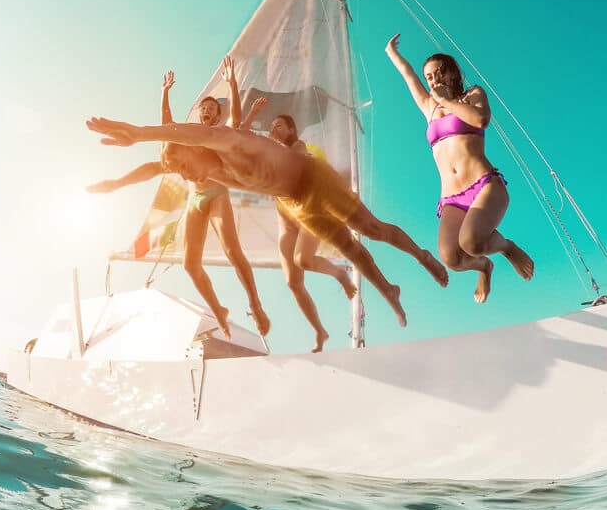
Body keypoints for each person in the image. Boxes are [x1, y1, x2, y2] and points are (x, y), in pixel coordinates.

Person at [86, 115, 449, 327]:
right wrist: (117, 184)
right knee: (349, 249)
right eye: (178, 170)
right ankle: (389, 290)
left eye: (183, 164)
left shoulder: (230, 142)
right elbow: (154, 167)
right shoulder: (204, 174)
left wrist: (140, 132)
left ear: (195, 150)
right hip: (293, 199)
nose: (183, 175)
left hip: (313, 178)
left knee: (372, 230)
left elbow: (199, 133)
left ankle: (421, 255)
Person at [86, 57, 270, 339]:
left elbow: (235, 122)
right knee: (190, 265)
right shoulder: (185, 142)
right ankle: (218, 310)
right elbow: (160, 148)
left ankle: (255, 304)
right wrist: (116, 183)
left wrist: (233, 84)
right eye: (204, 109)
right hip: (196, 201)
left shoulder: (218, 136)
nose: (208, 112)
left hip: (216, 194)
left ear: (217, 116)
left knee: (233, 251)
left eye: (212, 110)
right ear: (199, 114)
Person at [384, 34, 534, 303]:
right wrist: (391, 52)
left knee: (472, 243)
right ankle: (484, 267)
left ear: (453, 74)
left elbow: (481, 120)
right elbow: (408, 76)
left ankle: (506, 247)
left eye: (439, 73)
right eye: (429, 77)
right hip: (452, 198)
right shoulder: (428, 106)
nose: (433, 80)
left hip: (484, 185)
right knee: (451, 257)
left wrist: (449, 103)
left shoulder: (472, 95)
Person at [241, 99, 355, 351]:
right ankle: (320, 331)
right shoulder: (270, 149)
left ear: (291, 130)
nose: (274, 129)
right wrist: (253, 117)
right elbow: (241, 138)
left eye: (279, 125)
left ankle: (340, 273)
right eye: (272, 125)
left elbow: (291, 164)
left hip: (309, 214)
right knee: (293, 282)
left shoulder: (299, 146)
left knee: (303, 259)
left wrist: (270, 144)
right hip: (286, 221)